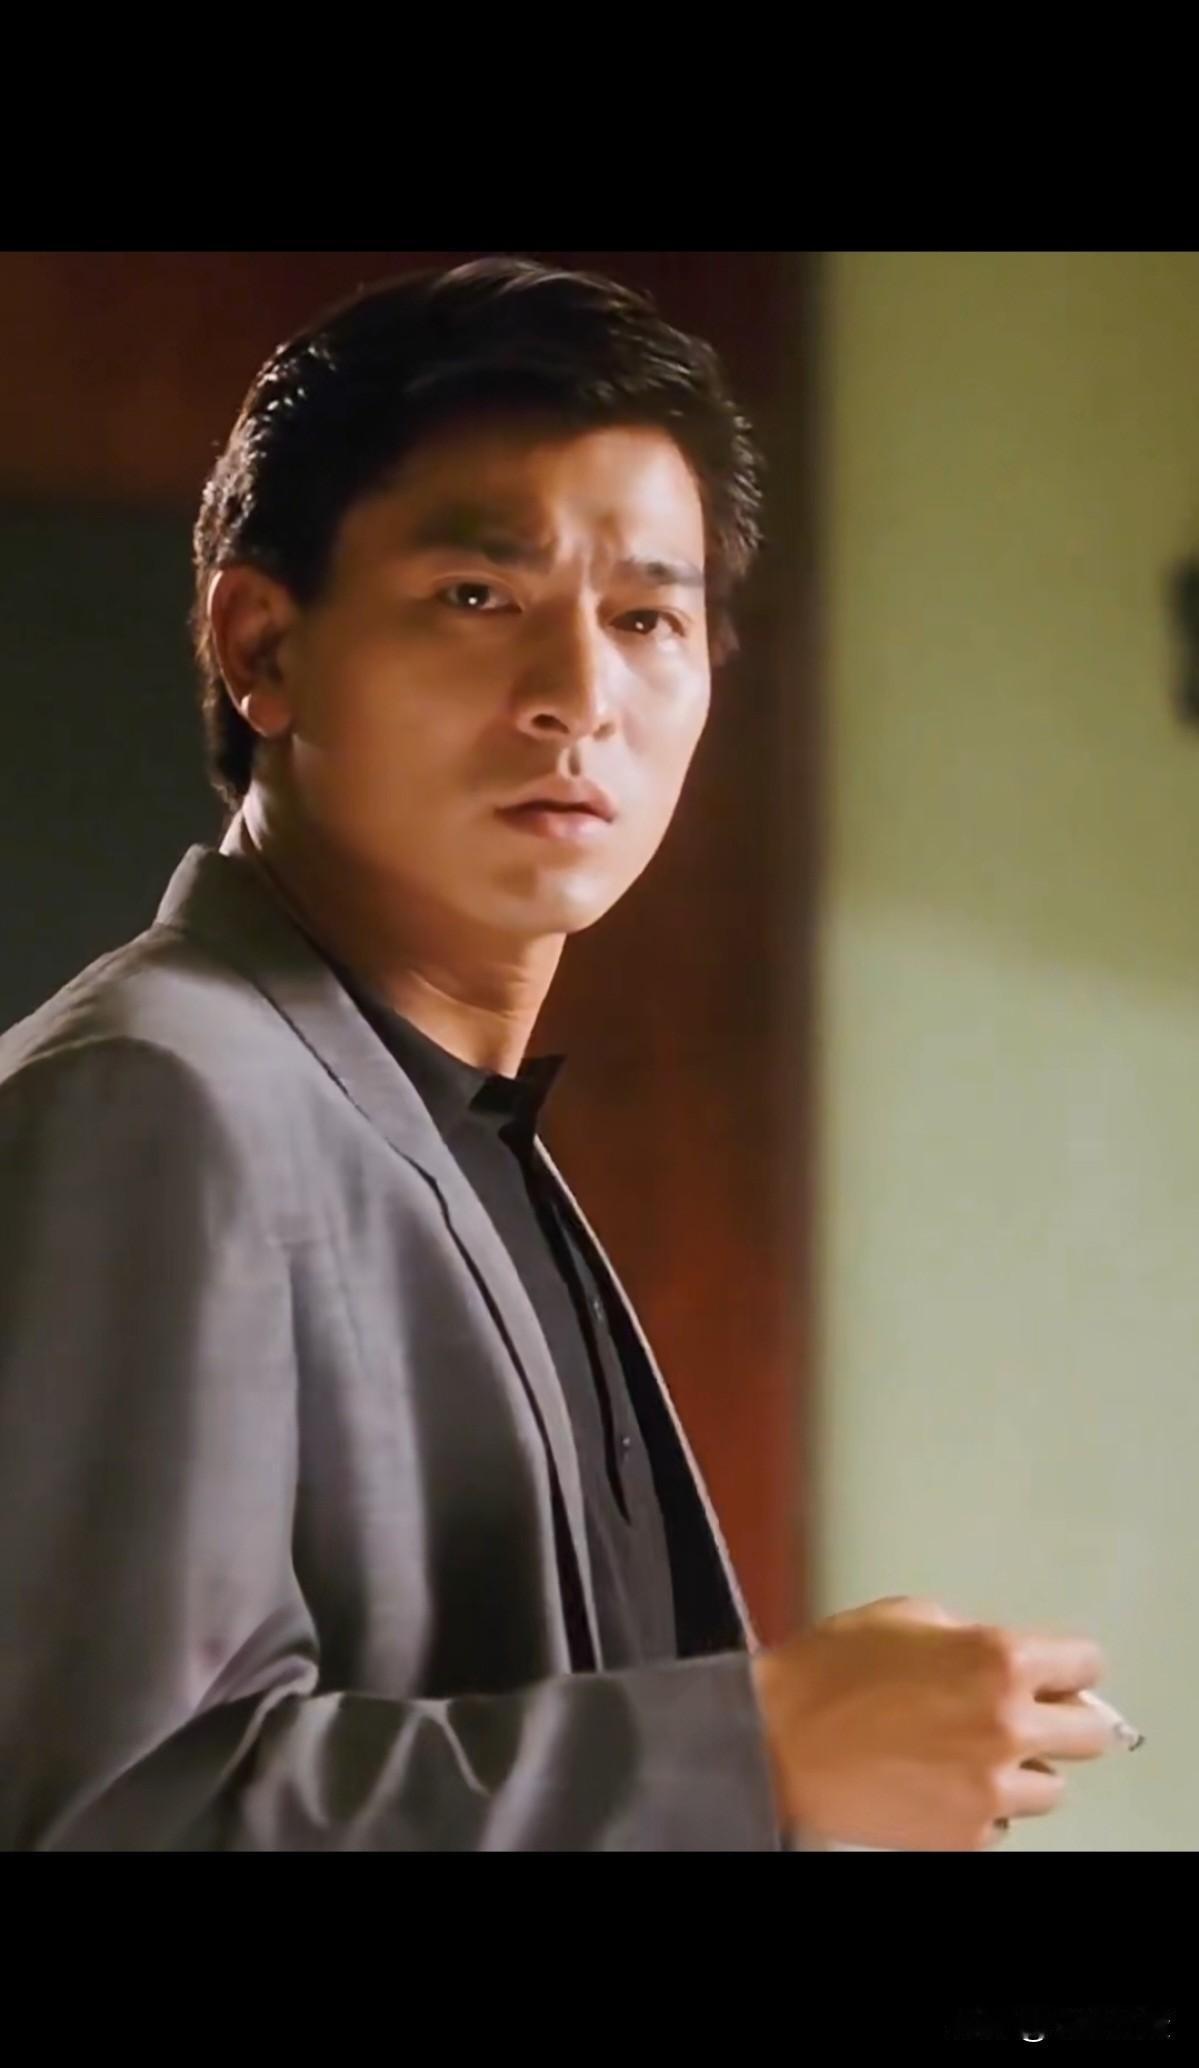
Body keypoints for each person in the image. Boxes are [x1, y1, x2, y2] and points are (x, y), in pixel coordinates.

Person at [0, 257, 1113, 1850]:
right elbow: (106, 1812)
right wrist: (758, 1756)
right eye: (479, 596)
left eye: (648, 617)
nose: (579, 696)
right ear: (262, 646)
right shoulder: (159, 1098)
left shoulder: (442, 1112)